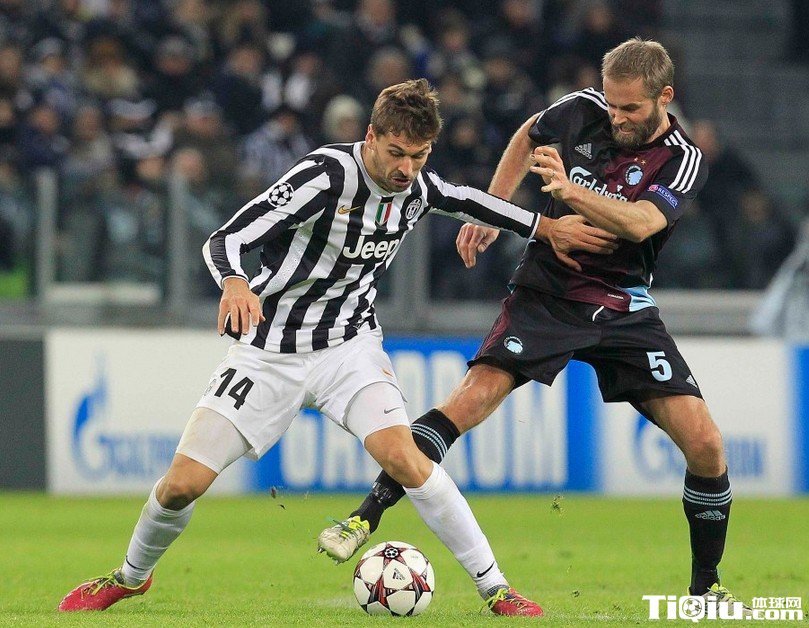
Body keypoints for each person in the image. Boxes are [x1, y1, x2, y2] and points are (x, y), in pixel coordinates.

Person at [57, 79, 615, 616]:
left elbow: (469, 201)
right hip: (267, 352)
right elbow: (225, 238)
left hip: (349, 350)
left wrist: (546, 228)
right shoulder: (324, 177)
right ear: (370, 137)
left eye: (419, 156)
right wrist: (234, 281)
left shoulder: (417, 188)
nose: (407, 169)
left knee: (407, 458)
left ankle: (496, 590)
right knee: (181, 487)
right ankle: (130, 577)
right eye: (396, 153)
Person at [318, 39, 751, 611]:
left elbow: (642, 223)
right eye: (611, 104)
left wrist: (569, 192)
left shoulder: (682, 157)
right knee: (470, 400)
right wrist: (495, 208)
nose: (616, 117)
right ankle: (364, 516)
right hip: (548, 291)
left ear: (663, 97)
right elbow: (528, 134)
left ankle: (705, 588)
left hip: (624, 304)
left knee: (706, 445)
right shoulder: (581, 109)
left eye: (629, 108)